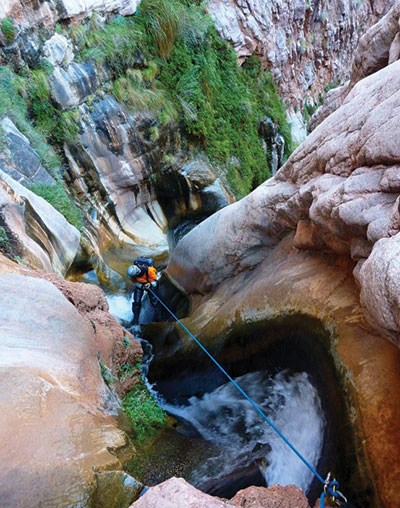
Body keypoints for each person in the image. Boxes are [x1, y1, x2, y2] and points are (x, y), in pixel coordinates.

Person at [127, 258, 160, 325]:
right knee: (136, 301)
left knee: (155, 301)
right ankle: (135, 319)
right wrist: (141, 286)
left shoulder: (150, 270)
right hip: (140, 285)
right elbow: (134, 281)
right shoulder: (133, 275)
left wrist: (150, 284)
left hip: (150, 284)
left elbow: (155, 282)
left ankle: (158, 317)